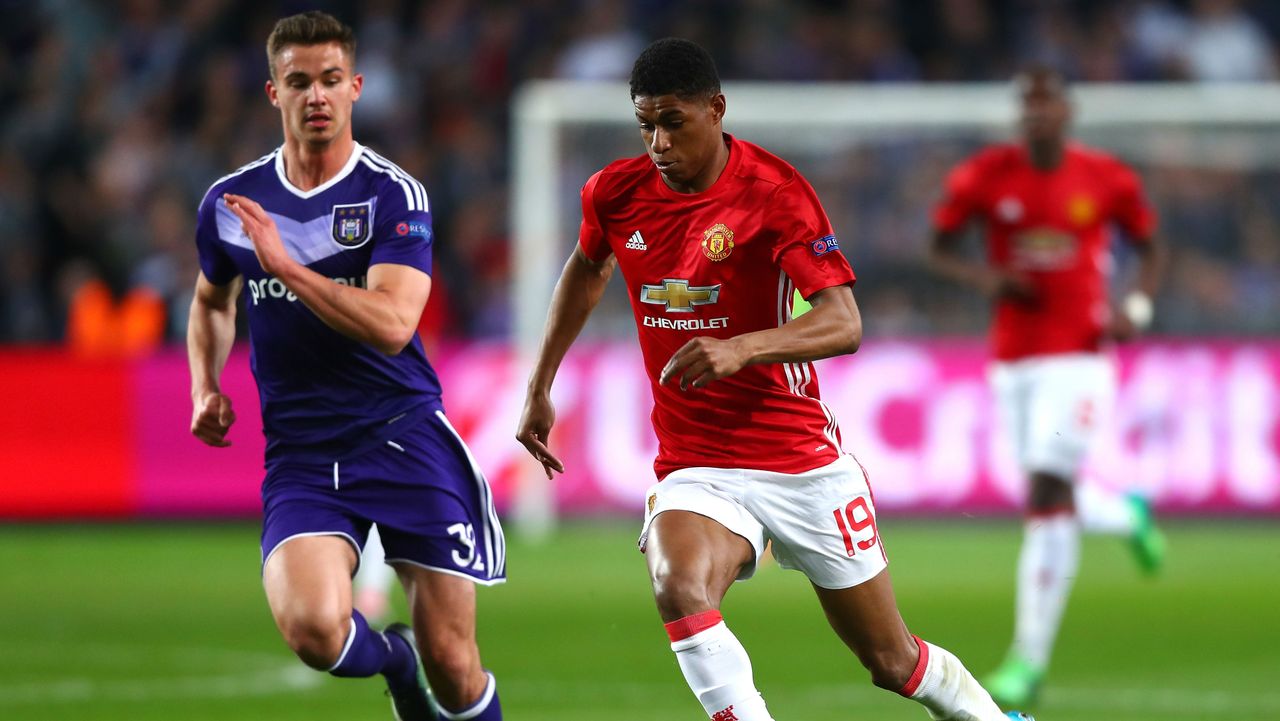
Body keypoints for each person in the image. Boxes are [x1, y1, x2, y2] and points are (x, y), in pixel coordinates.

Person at [516, 37, 1032, 721]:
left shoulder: (776, 194)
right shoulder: (614, 194)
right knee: (677, 584)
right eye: (645, 125)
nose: (658, 143)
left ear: (716, 109)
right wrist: (540, 380)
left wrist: (742, 348)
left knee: (890, 660)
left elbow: (843, 321)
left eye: (673, 122)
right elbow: (588, 268)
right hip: (697, 463)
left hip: (798, 460)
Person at [187, 12, 504, 721]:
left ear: (356, 87)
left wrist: (286, 267)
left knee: (454, 667)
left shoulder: (394, 195)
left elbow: (393, 325)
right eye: (298, 82)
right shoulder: (231, 204)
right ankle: (393, 658)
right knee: (314, 631)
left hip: (404, 436)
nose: (317, 96)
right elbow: (211, 299)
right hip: (303, 451)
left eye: (331, 80)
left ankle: (426, 668)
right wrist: (204, 382)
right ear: (274, 93)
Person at [928, 66, 1167, 708]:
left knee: (1044, 489)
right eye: (1026, 104)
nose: (1036, 114)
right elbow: (939, 245)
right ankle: (1123, 512)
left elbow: (1150, 249)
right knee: (1043, 486)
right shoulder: (986, 176)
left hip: (1083, 352)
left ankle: (1026, 662)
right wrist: (988, 281)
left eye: (1047, 103)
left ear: (1068, 110)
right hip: (1014, 356)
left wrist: (1135, 308)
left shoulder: (1107, 178)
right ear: (1020, 115)